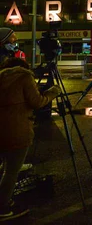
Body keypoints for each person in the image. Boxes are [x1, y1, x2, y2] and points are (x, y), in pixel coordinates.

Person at [0, 58, 60, 221]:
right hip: (17, 131)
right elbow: (37, 102)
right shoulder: (24, 77)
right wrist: (53, 92)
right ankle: (2, 207)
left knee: (4, 167)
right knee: (11, 172)